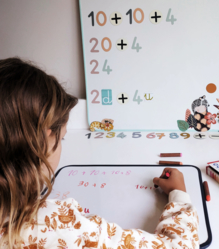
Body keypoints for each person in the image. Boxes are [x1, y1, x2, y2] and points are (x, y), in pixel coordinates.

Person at [0, 58, 199, 249]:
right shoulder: (55, 225)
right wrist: (179, 197)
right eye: (62, 139)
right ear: (43, 139)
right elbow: (178, 246)